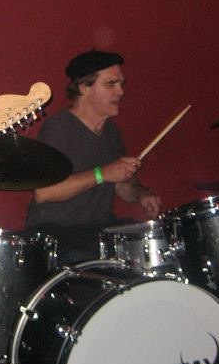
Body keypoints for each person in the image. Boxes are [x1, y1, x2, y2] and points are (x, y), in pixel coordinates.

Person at [25, 49, 162, 264]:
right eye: (111, 84)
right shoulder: (59, 128)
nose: (120, 91)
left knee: (154, 241)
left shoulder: (112, 132)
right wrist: (103, 173)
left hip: (99, 229)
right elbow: (44, 192)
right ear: (84, 87)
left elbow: (121, 186)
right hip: (57, 233)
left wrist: (142, 193)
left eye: (121, 84)